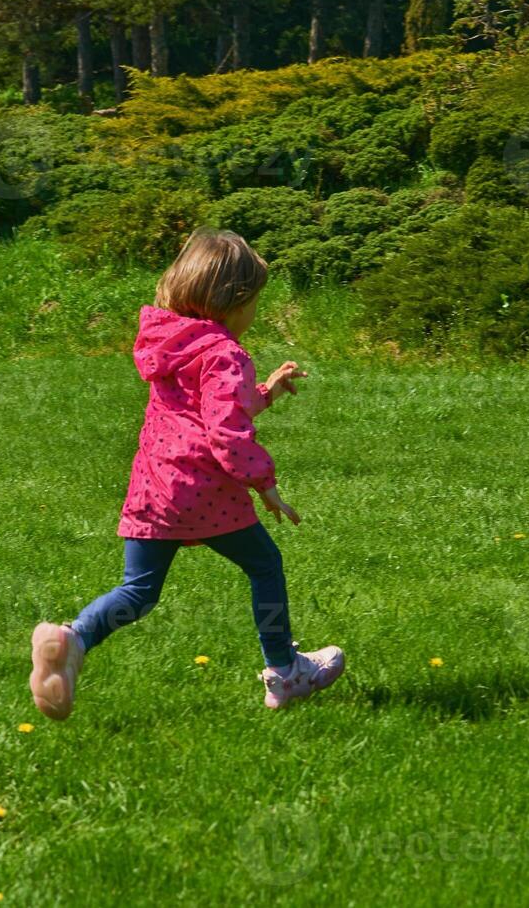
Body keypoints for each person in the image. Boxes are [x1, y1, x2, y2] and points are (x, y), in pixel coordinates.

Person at [28, 228, 344, 719]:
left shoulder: (170, 341)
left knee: (138, 590)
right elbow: (225, 431)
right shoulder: (225, 352)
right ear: (235, 301)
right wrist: (266, 483)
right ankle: (285, 670)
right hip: (205, 490)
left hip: (155, 489)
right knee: (264, 565)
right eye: (255, 302)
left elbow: (210, 410)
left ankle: (73, 639)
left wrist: (267, 392)